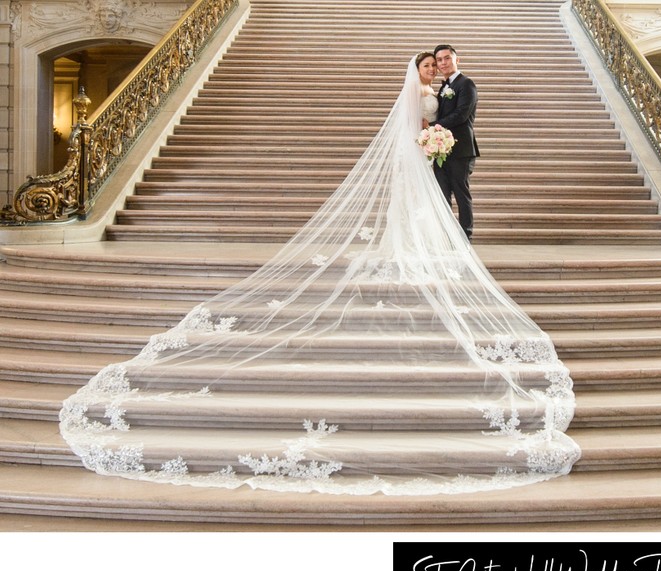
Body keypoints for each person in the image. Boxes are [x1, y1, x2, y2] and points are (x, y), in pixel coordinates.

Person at [58, 55, 579, 496]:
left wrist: (435, 135)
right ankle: (417, 241)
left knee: (438, 204)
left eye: (434, 62)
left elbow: (453, 115)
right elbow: (415, 122)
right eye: (425, 62)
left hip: (434, 150)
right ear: (418, 67)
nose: (430, 67)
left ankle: (433, 238)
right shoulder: (420, 91)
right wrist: (428, 135)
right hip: (419, 150)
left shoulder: (445, 89)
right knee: (419, 206)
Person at [431, 44, 479, 241]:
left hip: (461, 149)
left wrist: (432, 126)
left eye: (447, 58)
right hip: (441, 150)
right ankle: (448, 235)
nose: (443, 63)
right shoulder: (444, 87)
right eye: (439, 60)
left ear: (456, 59)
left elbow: (461, 115)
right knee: (442, 194)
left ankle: (465, 236)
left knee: (461, 192)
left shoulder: (466, 84)